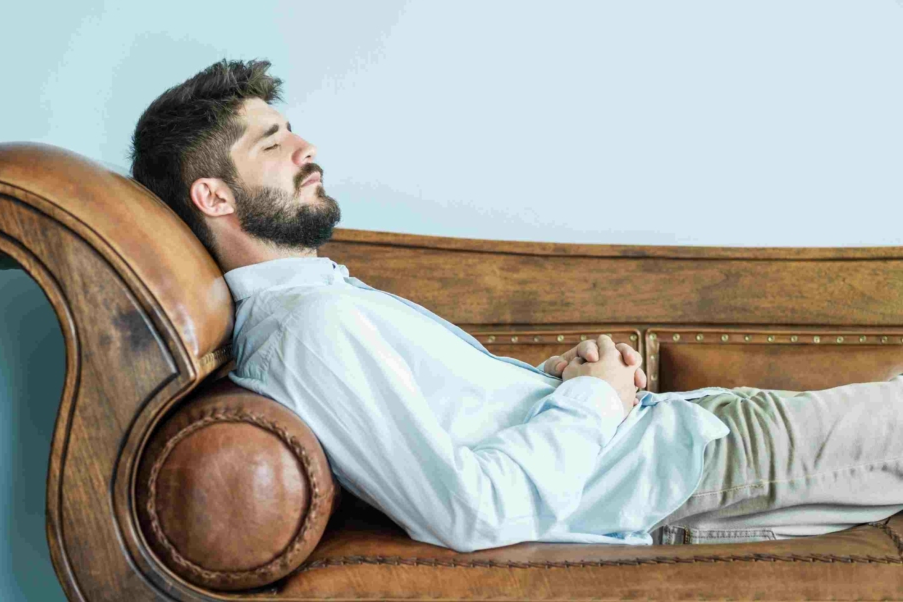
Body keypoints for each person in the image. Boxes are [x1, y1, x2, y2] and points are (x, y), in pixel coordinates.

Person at [129, 58, 903, 551]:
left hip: (689, 434)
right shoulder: (308, 331)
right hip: (695, 467)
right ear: (213, 195)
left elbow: (458, 426)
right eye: (272, 143)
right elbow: (469, 510)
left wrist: (558, 379)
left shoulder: (318, 299)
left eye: (292, 130)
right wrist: (593, 401)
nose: (307, 150)